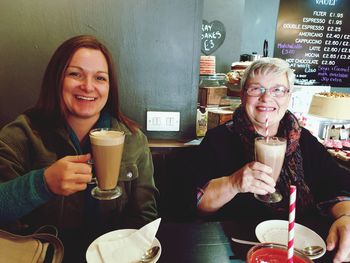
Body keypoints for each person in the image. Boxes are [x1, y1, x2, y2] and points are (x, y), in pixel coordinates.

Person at [0, 35, 158, 259]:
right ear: (57, 79)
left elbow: (144, 217)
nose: (88, 86)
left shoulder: (132, 140)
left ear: (109, 87)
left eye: (100, 78)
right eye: (75, 74)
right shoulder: (20, 135)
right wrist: (42, 184)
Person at [195, 58, 350, 262]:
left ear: (288, 97)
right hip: (239, 250)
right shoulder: (219, 140)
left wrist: (345, 217)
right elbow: (196, 204)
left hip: (304, 248)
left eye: (278, 90)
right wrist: (233, 183)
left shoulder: (305, 140)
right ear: (243, 95)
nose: (266, 98)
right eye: (255, 89)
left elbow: (337, 185)